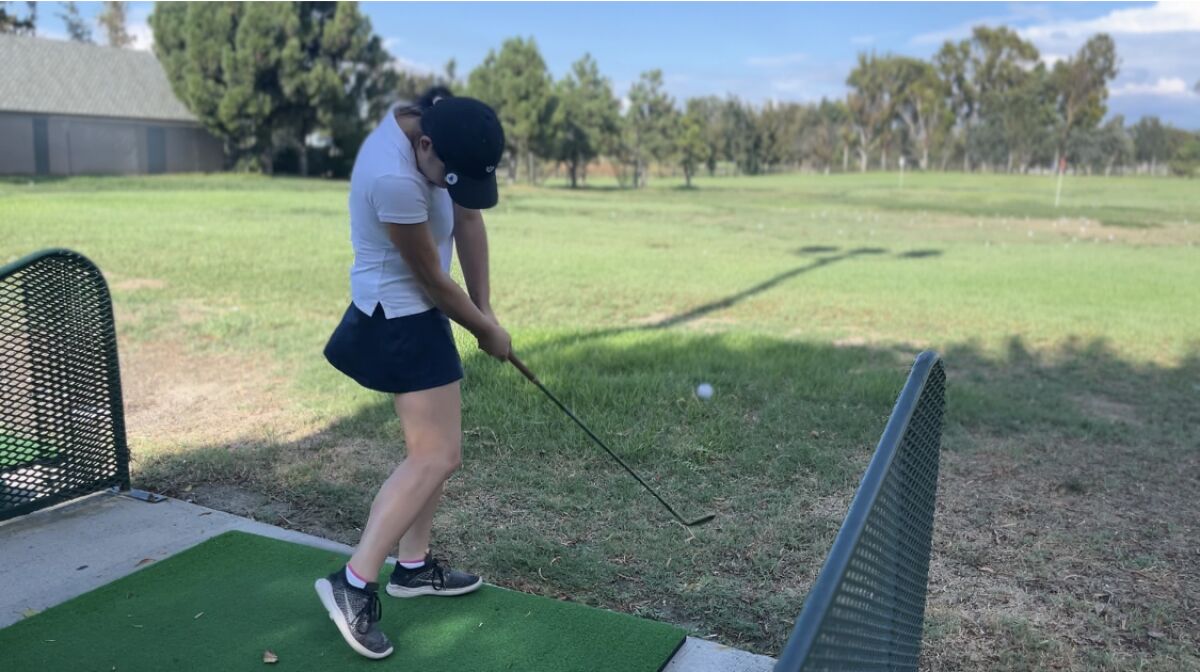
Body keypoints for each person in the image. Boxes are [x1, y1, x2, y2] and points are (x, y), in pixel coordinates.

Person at [314, 86, 511, 660]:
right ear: (424, 147)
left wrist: (486, 309)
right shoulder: (393, 177)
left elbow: (467, 217)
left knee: (438, 453)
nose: (455, 190)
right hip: (397, 317)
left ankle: (413, 566)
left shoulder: (442, 130)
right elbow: (431, 279)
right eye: (450, 178)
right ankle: (353, 582)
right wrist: (483, 330)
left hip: (424, 312)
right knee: (435, 457)